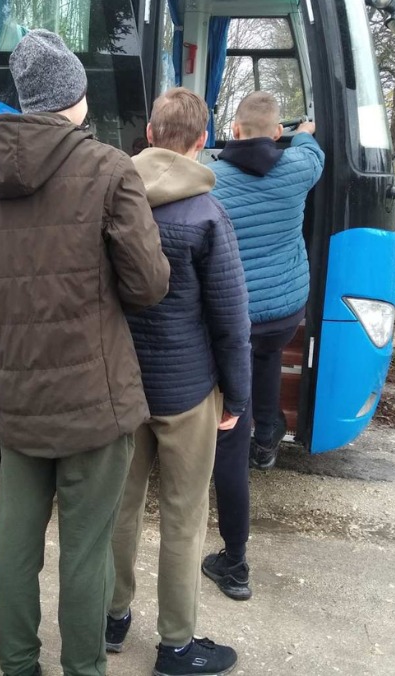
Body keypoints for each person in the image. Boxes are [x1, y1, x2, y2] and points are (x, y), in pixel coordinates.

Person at [0, 29, 170, 676]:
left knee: (14, 547)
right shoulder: (109, 169)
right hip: (94, 405)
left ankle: (17, 666)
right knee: (86, 550)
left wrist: (17, 346)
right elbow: (149, 285)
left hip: (19, 398)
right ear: (76, 98)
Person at [105, 88, 250, 676]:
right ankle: (176, 646)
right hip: (188, 392)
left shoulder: (112, 200)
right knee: (184, 518)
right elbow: (230, 319)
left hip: (121, 384)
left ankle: (111, 619)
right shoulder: (207, 215)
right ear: (200, 142)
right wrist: (237, 395)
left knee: (120, 507)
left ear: (147, 131)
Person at [201, 90, 324, 601]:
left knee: (230, 430)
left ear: (233, 127)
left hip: (237, 321)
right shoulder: (299, 167)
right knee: (269, 358)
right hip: (285, 311)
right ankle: (269, 438)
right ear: (275, 133)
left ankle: (235, 561)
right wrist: (297, 132)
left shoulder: (211, 180)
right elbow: (311, 144)